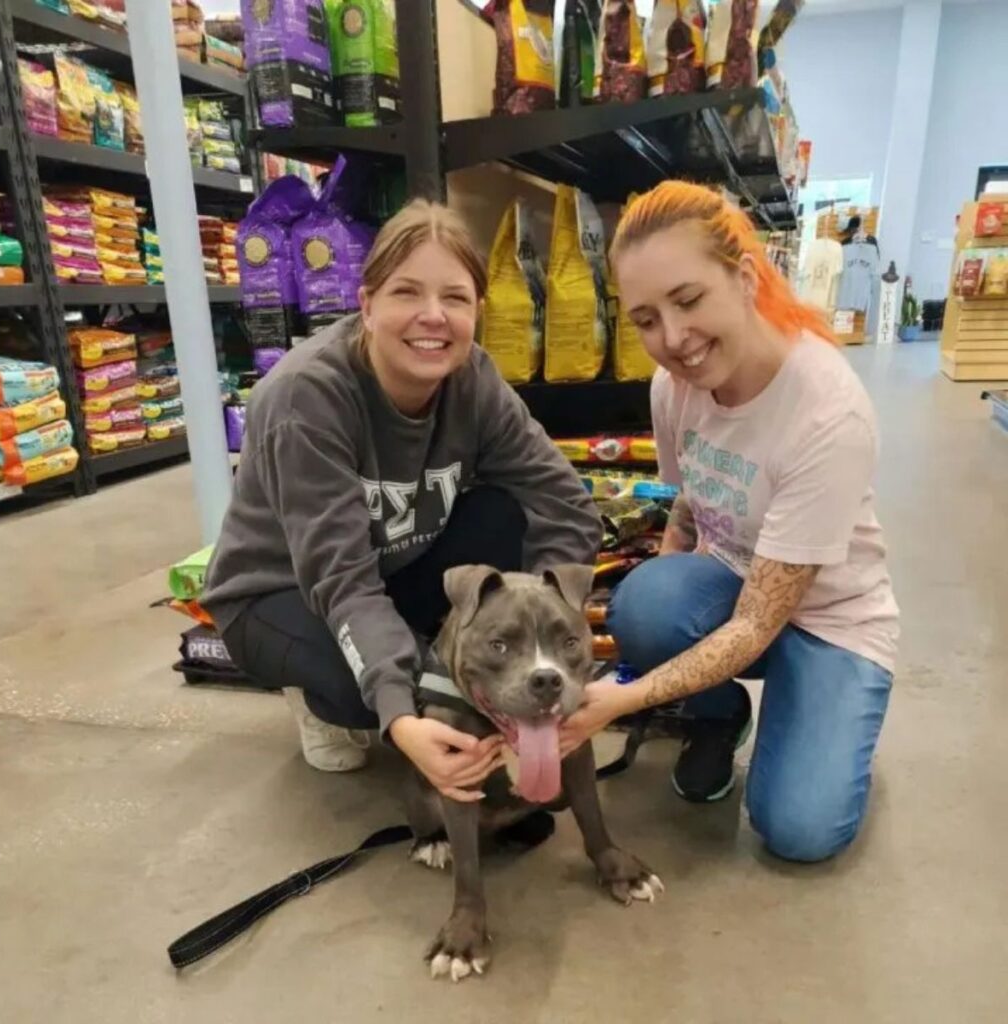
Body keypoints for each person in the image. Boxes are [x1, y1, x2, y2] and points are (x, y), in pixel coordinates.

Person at [202, 199, 602, 804]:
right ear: (366, 304)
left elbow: (566, 504)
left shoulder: (474, 382)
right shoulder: (304, 399)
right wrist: (402, 703)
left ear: (478, 312)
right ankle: (319, 696)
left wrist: (547, 633)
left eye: (456, 298)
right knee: (390, 689)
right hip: (280, 596)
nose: (433, 317)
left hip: (396, 560)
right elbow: (343, 580)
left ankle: (406, 665)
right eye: (407, 293)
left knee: (505, 511)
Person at [560, 181, 899, 863]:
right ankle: (718, 718)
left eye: (689, 301)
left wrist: (625, 697)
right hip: (734, 581)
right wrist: (653, 602)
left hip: (831, 620)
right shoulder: (673, 387)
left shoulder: (828, 414)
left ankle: (823, 715)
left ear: (743, 278)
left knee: (800, 830)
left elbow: (753, 625)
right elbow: (690, 504)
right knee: (645, 603)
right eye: (646, 318)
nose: (674, 339)